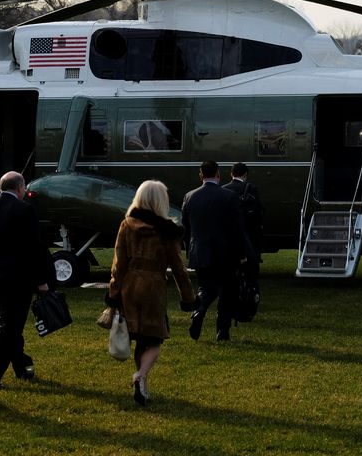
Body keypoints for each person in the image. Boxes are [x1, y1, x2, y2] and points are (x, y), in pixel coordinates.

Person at [108, 180, 198, 406]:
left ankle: (143, 383)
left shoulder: (127, 224)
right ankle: (141, 376)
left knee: (138, 336)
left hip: (130, 286)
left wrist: (113, 291)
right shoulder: (168, 230)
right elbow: (178, 267)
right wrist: (188, 297)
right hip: (153, 288)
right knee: (155, 339)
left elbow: (118, 263)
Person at [0, 171, 51, 387]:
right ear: (19, 188)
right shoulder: (25, 210)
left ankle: (21, 366)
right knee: (9, 327)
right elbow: (35, 248)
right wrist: (41, 280)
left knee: (6, 324)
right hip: (17, 279)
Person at [181, 160, 248, 342]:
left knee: (206, 287)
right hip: (225, 253)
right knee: (227, 291)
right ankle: (222, 331)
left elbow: (186, 228)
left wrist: (190, 250)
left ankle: (199, 310)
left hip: (200, 251)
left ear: (201, 175)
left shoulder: (189, 197)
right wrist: (242, 253)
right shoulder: (229, 196)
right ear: (218, 174)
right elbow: (237, 228)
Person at [222, 162, 264, 278]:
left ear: (231, 174)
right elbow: (259, 210)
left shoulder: (223, 189)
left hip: (230, 231)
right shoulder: (251, 188)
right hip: (249, 229)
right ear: (245, 174)